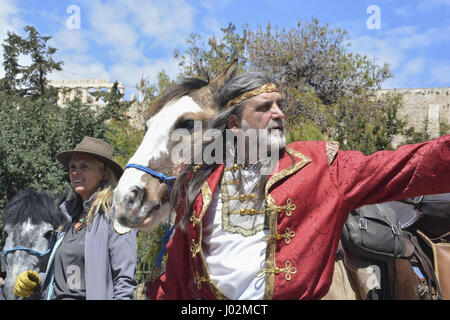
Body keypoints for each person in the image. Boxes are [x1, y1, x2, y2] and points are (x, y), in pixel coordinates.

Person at [147, 72, 450, 300]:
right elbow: (177, 271)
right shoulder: (199, 184)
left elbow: (408, 164)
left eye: (280, 105)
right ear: (235, 125)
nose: (278, 113)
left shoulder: (319, 166)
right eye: (265, 107)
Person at [14, 136, 138, 300]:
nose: (74, 172)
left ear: (105, 173)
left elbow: (124, 281)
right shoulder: (67, 217)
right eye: (72, 166)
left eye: (84, 166)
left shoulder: (118, 216)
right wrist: (38, 281)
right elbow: (67, 277)